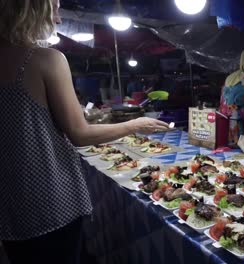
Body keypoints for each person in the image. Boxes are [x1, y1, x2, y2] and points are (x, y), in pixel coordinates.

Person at [0, 1, 169, 263]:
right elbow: (80, 134)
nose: (57, 19)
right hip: (50, 197)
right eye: (53, 8)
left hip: (9, 205)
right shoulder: (46, 59)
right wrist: (136, 124)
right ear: (30, 9)